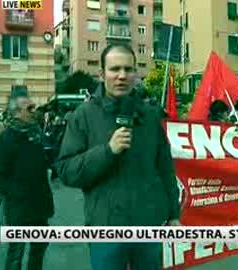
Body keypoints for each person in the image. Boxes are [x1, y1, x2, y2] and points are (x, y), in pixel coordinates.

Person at [55, 44, 180, 270]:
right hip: (106, 229)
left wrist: (173, 214)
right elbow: (66, 170)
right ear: (102, 74)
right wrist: (107, 151)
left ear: (135, 73)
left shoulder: (150, 116)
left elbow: (165, 169)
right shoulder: (83, 115)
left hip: (148, 226)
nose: (122, 76)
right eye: (114, 69)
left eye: (128, 69)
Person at [0, 95, 54, 270]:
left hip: (40, 205)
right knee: (16, 253)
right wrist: (14, 192)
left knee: (39, 249)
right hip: (19, 208)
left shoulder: (36, 133)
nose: (35, 112)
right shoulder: (6, 138)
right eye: (29, 109)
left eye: (34, 107)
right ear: (16, 113)